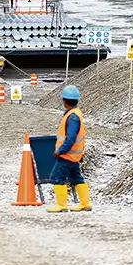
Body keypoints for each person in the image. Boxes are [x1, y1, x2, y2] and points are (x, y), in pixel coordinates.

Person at [47, 85, 92, 213]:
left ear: (64, 101)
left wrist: (60, 150)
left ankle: (61, 205)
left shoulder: (72, 117)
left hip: (67, 155)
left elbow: (70, 138)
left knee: (57, 177)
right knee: (76, 178)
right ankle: (85, 203)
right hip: (74, 156)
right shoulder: (76, 113)